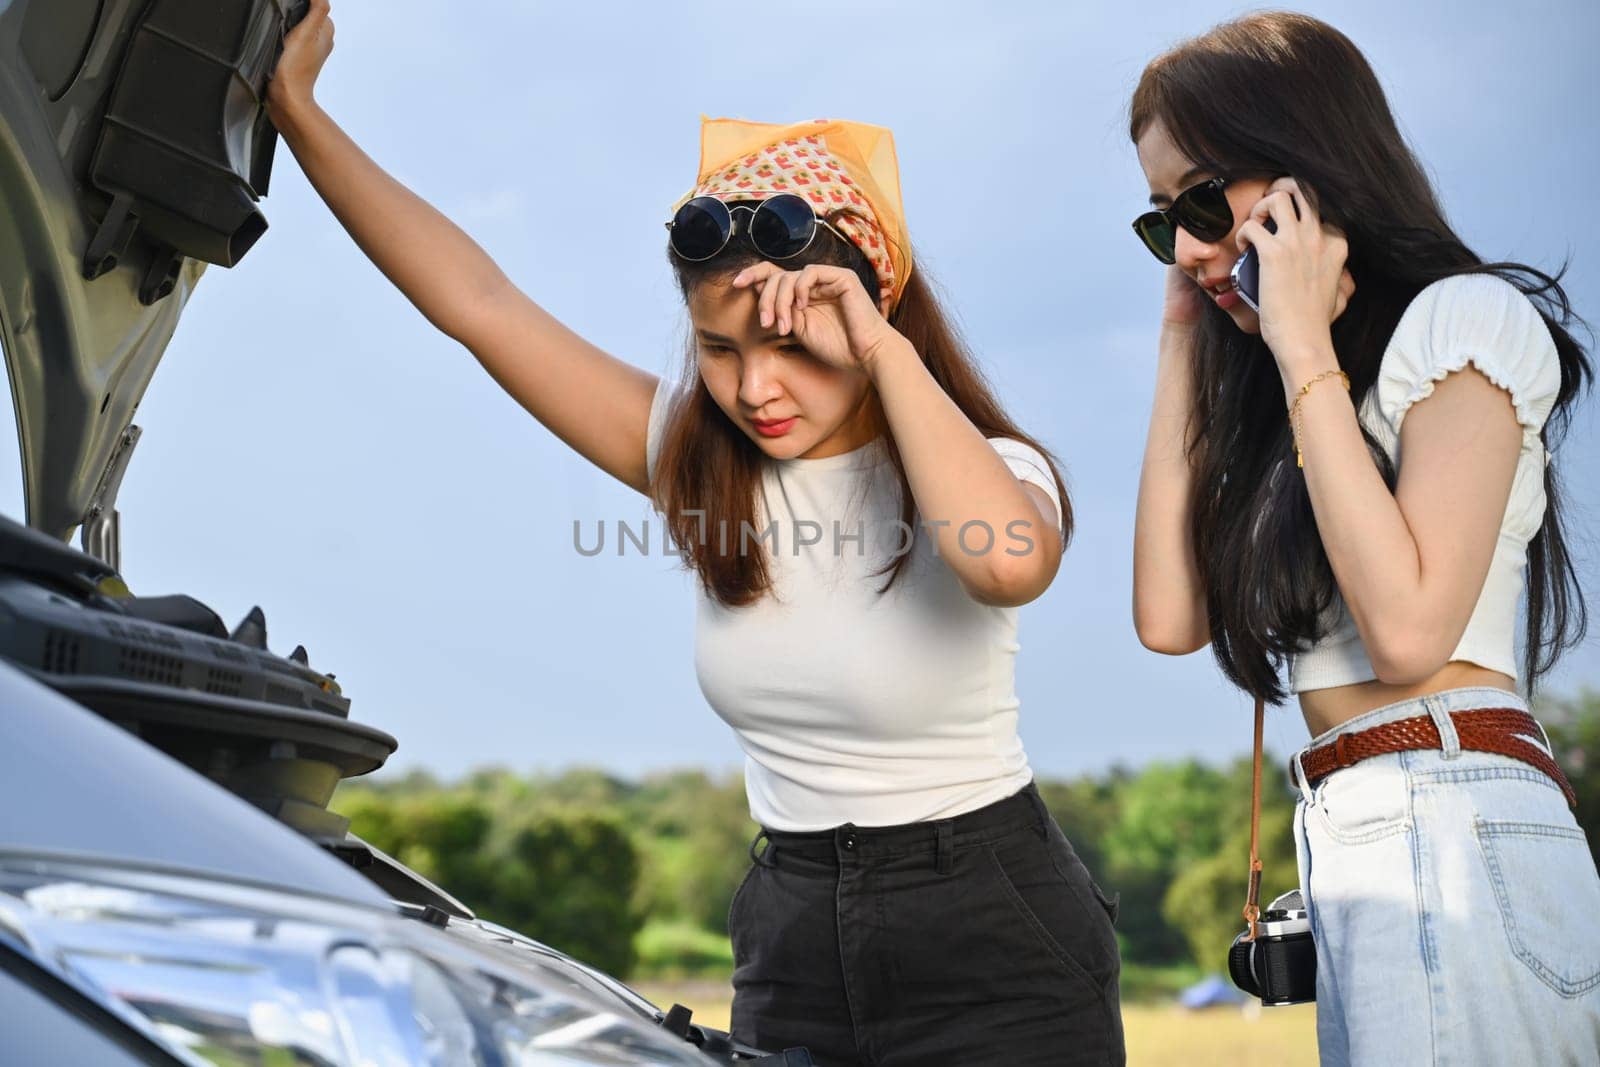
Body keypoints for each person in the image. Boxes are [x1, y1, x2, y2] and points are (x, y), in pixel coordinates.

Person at [267, 4, 1123, 1064]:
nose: (755, 388)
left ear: (873, 317)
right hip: (793, 935)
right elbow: (478, 301)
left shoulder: (986, 467)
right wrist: (296, 113)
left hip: (995, 943)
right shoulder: (704, 460)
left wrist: (881, 351)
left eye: (793, 347)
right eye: (719, 350)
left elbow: (1006, 560)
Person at [1128, 11, 1599, 1064]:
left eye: (1206, 200)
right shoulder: (1294, 398)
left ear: (1308, 167)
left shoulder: (1462, 321)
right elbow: (1166, 615)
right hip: (1359, 829)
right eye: (1164, 223)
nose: (1194, 246)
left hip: (1451, 813)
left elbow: (1407, 632)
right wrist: (1181, 337)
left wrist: (1298, 342)